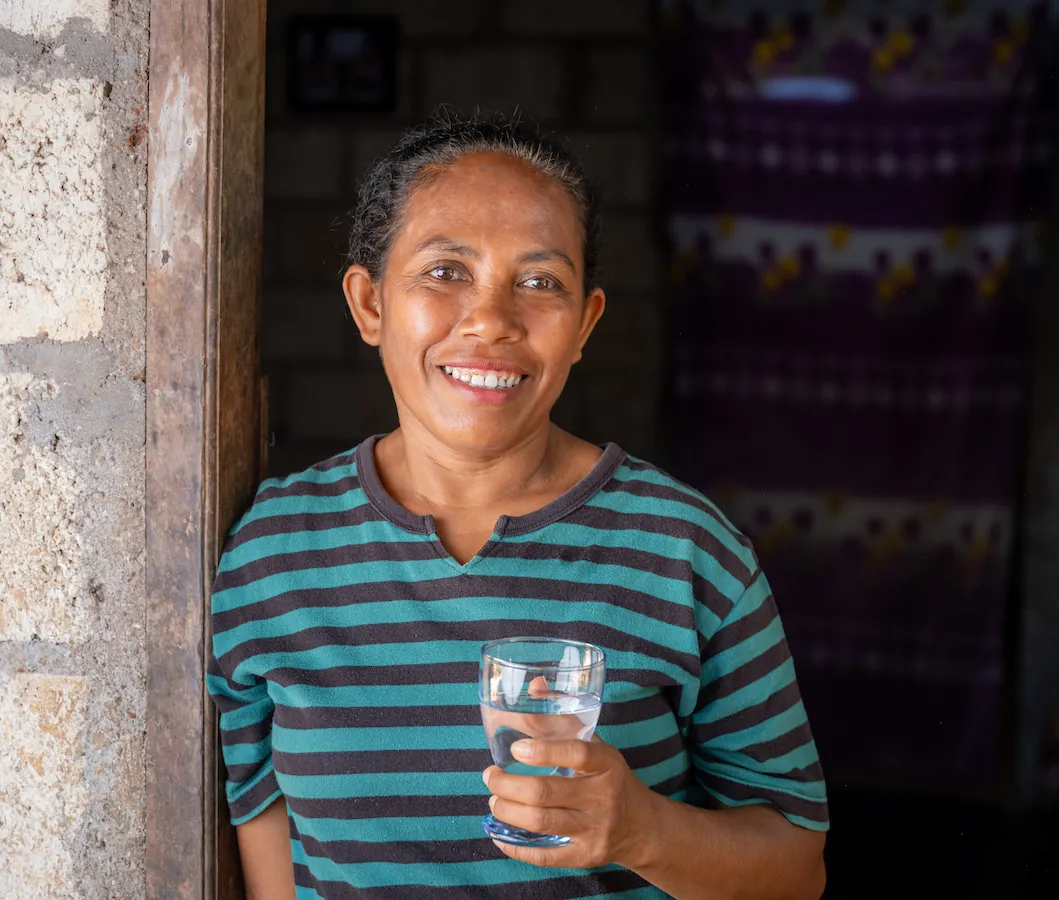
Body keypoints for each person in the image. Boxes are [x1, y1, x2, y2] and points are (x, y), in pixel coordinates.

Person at [205, 111, 829, 900]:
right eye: (445, 271)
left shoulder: (687, 553)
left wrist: (644, 829)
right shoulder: (273, 555)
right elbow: (270, 851)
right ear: (369, 305)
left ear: (583, 326)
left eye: (540, 283)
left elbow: (796, 870)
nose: (493, 320)